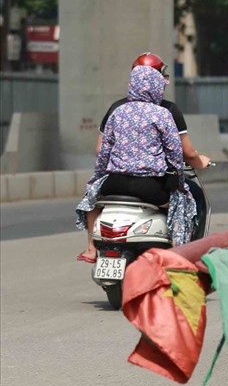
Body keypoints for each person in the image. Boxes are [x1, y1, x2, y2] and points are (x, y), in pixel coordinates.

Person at [75, 66, 198, 262]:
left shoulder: (118, 112)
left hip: (114, 184)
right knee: (183, 204)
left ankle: (91, 248)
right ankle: (177, 256)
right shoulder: (162, 114)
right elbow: (175, 153)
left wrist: (97, 180)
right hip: (149, 187)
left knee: (91, 197)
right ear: (155, 86)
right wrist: (179, 181)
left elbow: (103, 153)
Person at [98, 53, 211, 171]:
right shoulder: (167, 110)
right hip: (155, 181)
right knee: (194, 189)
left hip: (117, 178)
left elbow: (100, 150)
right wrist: (201, 162)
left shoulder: (117, 109)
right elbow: (187, 153)